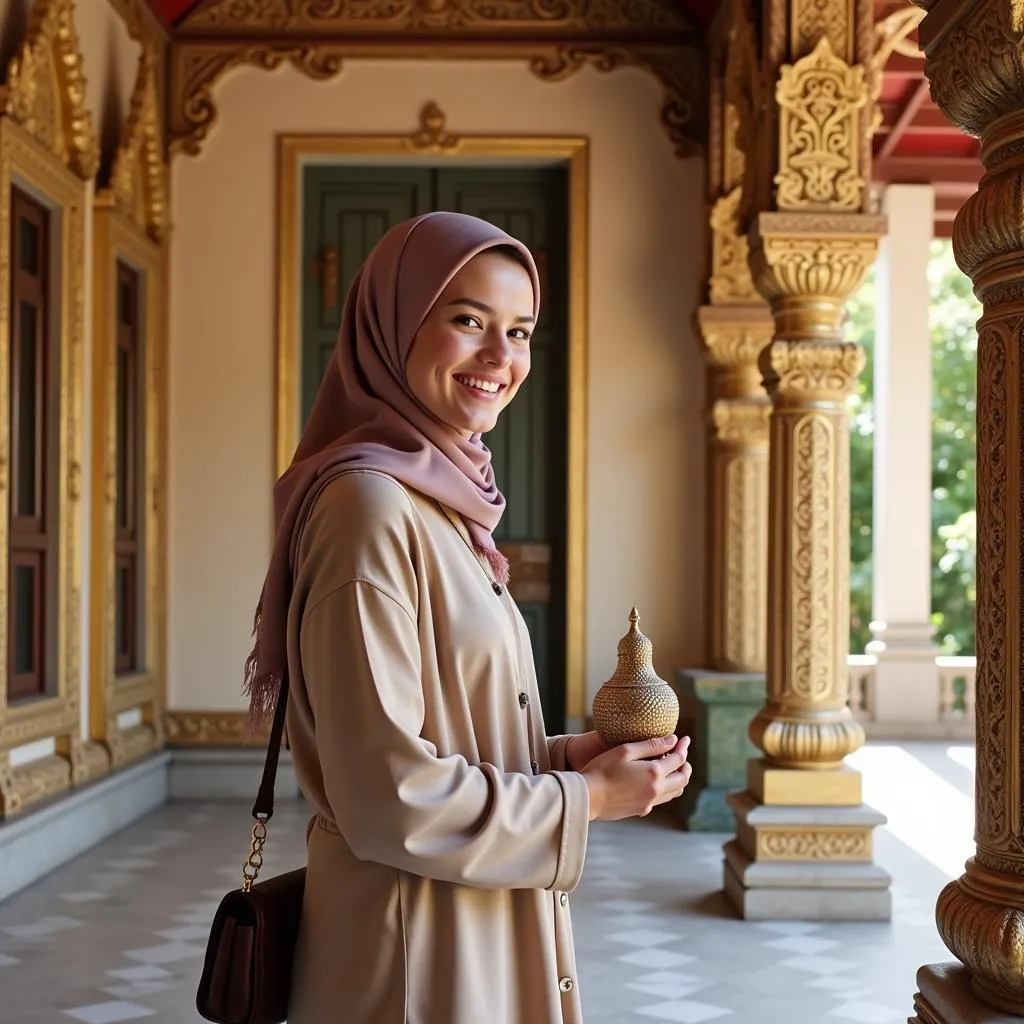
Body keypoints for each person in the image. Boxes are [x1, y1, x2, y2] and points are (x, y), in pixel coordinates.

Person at [242, 211, 693, 1024]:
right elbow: (386, 794)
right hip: (413, 953)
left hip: (470, 921)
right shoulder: (369, 511)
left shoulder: (441, 505)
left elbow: (439, 740)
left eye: (519, 330)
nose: (501, 358)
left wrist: (566, 758)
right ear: (395, 327)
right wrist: (582, 800)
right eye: (468, 320)